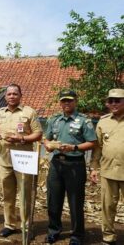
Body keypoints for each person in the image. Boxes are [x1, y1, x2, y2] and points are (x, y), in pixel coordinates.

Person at [0, 84, 42, 238]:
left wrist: (22, 138)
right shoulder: (0, 114)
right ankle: (10, 225)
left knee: (25, 195)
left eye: (15, 94)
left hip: (24, 160)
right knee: (8, 194)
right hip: (4, 160)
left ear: (20, 95)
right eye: (9, 94)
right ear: (5, 97)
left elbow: (38, 134)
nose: (12, 96)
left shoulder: (29, 112)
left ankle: (26, 227)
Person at [44, 90, 97, 245]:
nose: (66, 103)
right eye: (63, 101)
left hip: (75, 165)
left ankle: (77, 235)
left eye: (69, 100)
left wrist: (74, 147)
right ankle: (53, 231)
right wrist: (48, 145)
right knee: (53, 200)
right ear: (60, 102)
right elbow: (46, 139)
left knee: (75, 202)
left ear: (75, 101)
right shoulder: (54, 120)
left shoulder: (83, 121)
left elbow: (92, 143)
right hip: (56, 164)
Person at [90, 88, 124, 245]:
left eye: (118, 100)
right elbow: (97, 148)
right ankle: (108, 237)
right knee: (107, 206)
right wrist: (94, 168)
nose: (114, 104)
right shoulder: (103, 122)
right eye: (111, 101)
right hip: (108, 171)